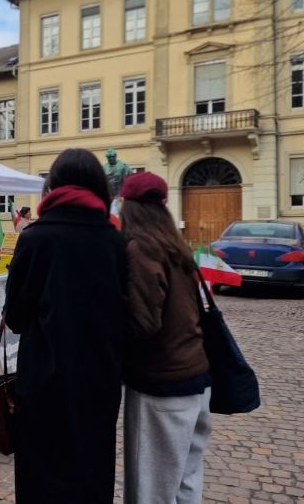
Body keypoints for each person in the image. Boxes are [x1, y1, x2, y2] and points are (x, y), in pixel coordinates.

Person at [3, 149, 128, 500]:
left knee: (42, 474)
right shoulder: (114, 241)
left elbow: (15, 317)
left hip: (44, 380)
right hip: (100, 380)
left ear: (51, 186)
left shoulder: (35, 238)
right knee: (92, 468)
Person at [119, 172, 211, 504]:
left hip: (162, 386)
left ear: (127, 207)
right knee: (186, 480)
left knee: (152, 491)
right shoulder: (176, 246)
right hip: (196, 378)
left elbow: (143, 324)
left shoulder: (142, 249)